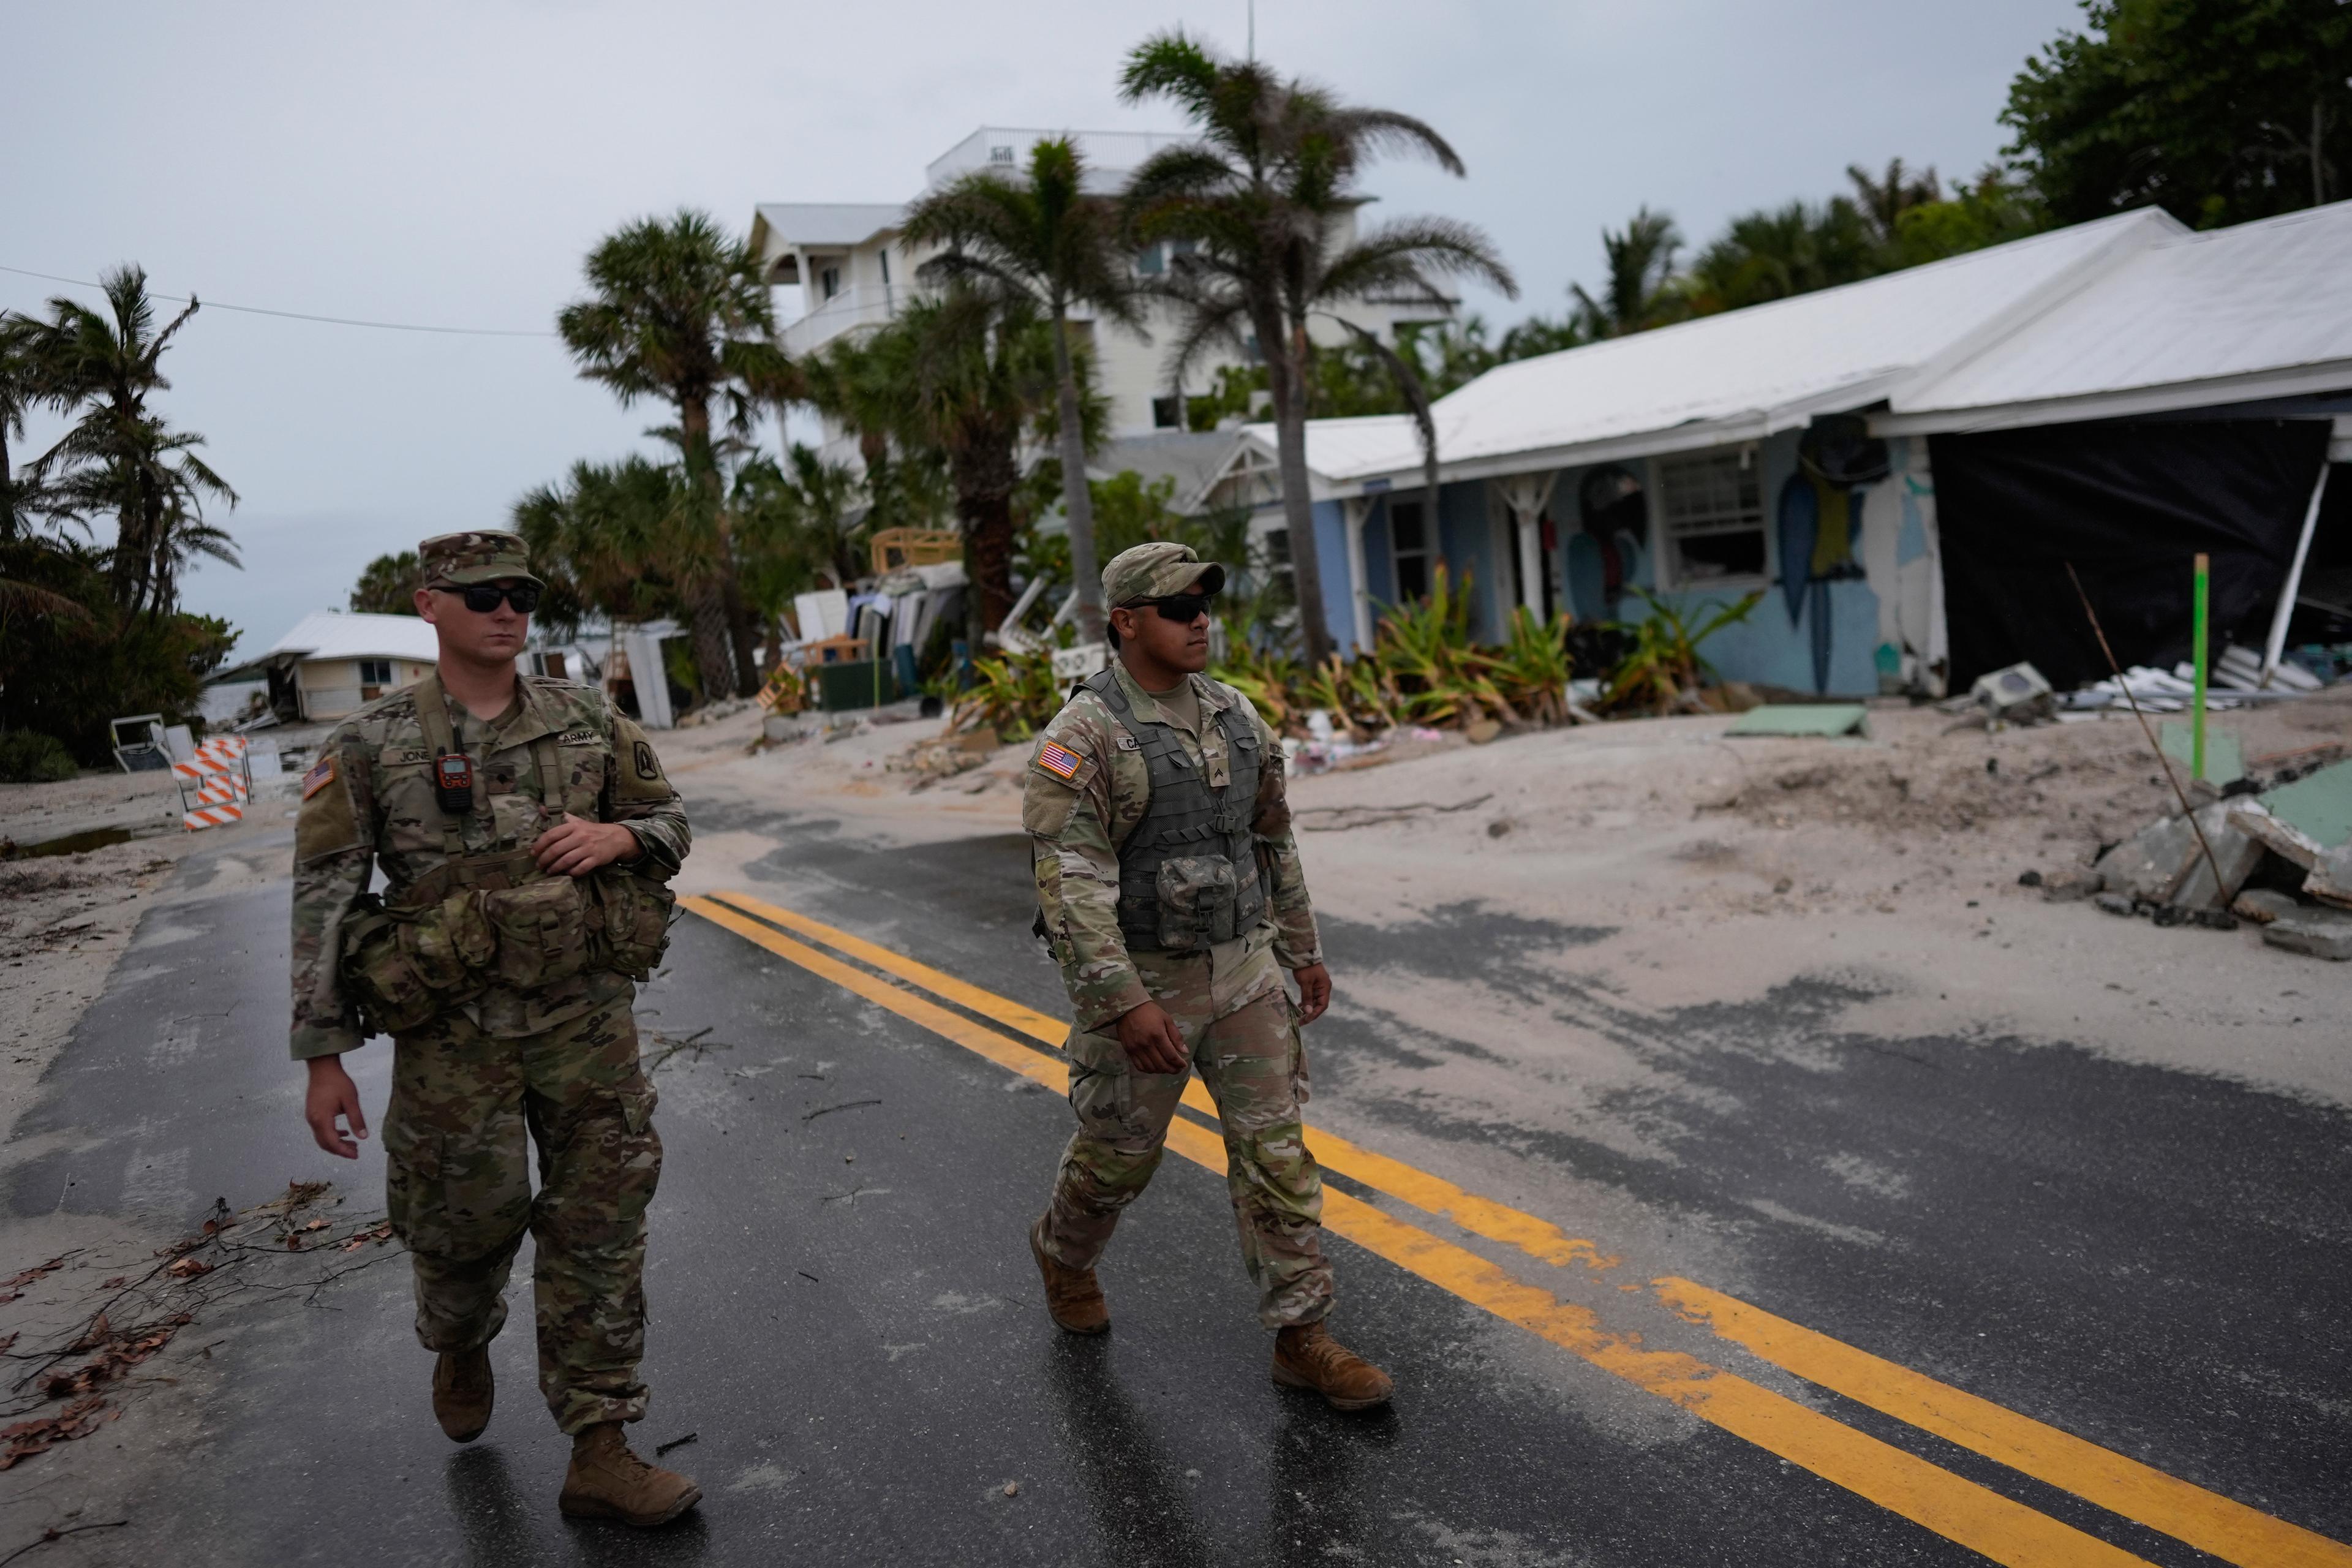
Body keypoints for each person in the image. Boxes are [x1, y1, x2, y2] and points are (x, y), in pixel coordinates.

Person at [289, 530, 699, 1526]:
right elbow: (324, 902)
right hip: (452, 1034)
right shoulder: (370, 744)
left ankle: (599, 1446)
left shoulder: (588, 719)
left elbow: (672, 824)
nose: (506, 610)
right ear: (430, 607)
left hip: (586, 1020)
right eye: (481, 596)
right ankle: (461, 1339)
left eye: (519, 593)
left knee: (600, 1225)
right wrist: (323, 1060)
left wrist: (622, 835)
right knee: (461, 1229)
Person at [1021, 541, 1392, 1410]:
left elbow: (1271, 838)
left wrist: (1301, 948)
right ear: (1126, 622)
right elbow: (1071, 887)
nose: (1201, 622)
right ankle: (1063, 1252)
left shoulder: (1235, 715)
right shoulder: (1085, 737)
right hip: (1147, 982)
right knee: (1118, 1159)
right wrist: (1123, 1004)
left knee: (1277, 1156)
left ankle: (1303, 1337)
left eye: (1205, 605)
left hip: (1244, 972)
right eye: (1179, 609)